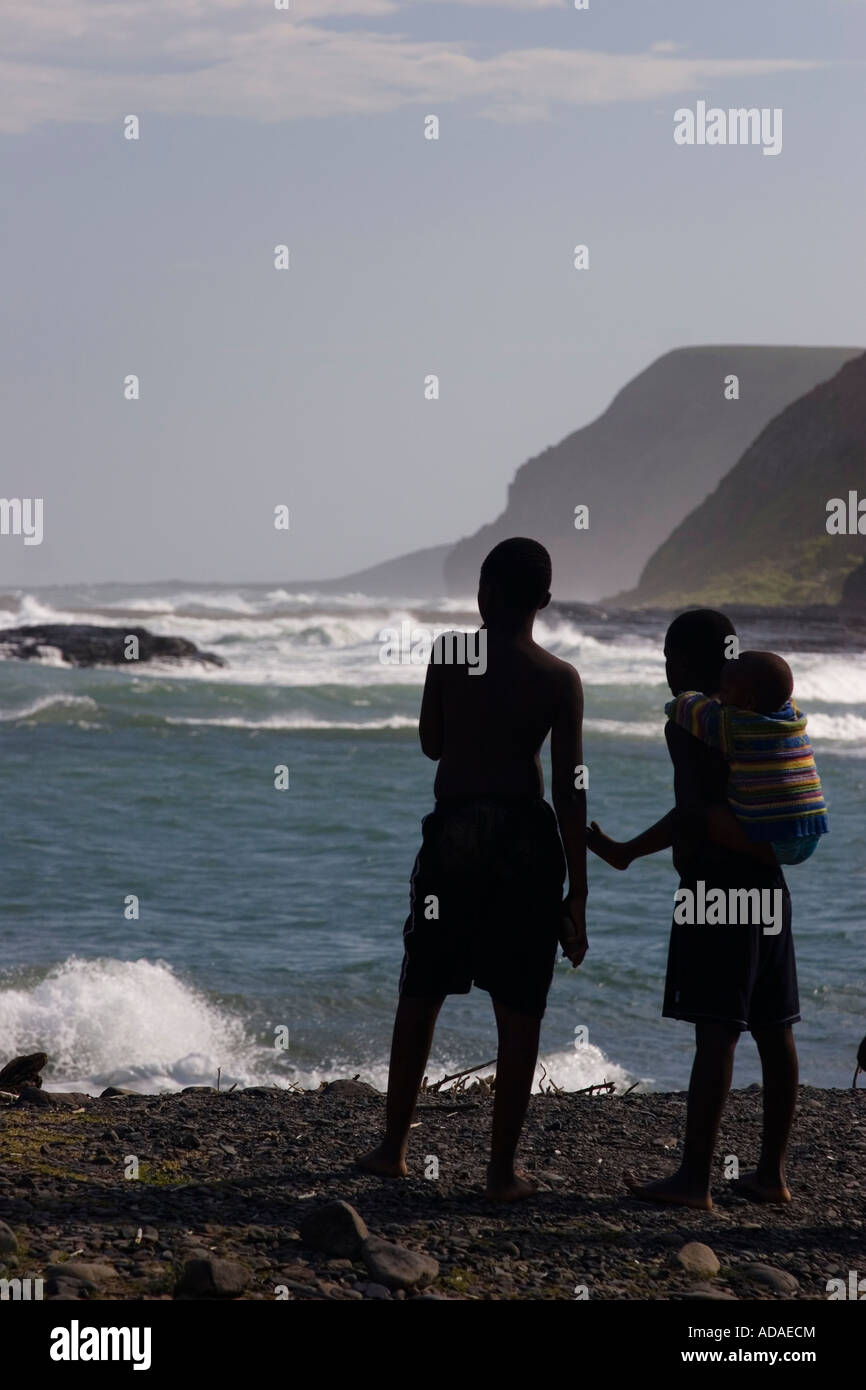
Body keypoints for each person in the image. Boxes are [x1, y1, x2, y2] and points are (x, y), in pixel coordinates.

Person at [357, 538, 587, 1201]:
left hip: (454, 832)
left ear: (481, 593)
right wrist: (580, 892)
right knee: (519, 1006)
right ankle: (501, 1171)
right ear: (544, 601)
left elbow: (433, 743)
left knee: (422, 988)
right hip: (525, 838)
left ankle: (393, 1147)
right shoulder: (559, 677)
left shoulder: (452, 654)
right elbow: (571, 787)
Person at [588, 610, 799, 1209]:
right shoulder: (763, 718)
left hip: (715, 887)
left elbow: (694, 810)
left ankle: (693, 1182)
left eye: (666, 654)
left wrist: (625, 851)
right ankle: (771, 1175)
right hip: (769, 884)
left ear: (682, 660)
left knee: (716, 1034)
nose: (663, 665)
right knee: (775, 1028)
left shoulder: (692, 722)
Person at [589, 649, 828, 871]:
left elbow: (683, 706)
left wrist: (702, 696)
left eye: (724, 691)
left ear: (748, 703)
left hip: (777, 842)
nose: (720, 698)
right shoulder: (793, 718)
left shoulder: (733, 727)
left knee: (692, 816)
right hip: (811, 832)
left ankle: (626, 853)